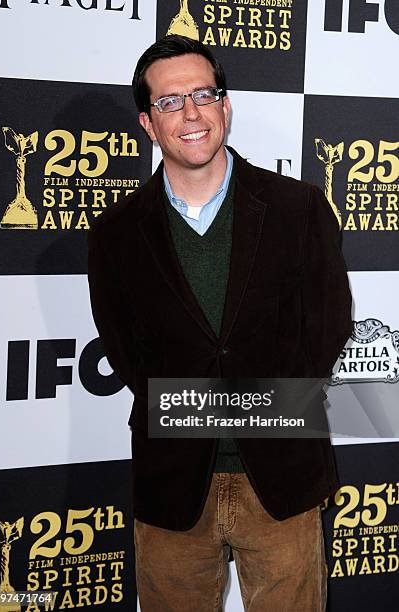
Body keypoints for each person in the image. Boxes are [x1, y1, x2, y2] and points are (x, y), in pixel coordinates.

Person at [88, 35, 352, 612]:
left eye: (204, 95)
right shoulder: (116, 233)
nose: (191, 114)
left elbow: (328, 329)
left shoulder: (299, 208)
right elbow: (127, 351)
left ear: (225, 106)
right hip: (173, 480)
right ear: (147, 124)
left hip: (282, 476)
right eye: (170, 102)